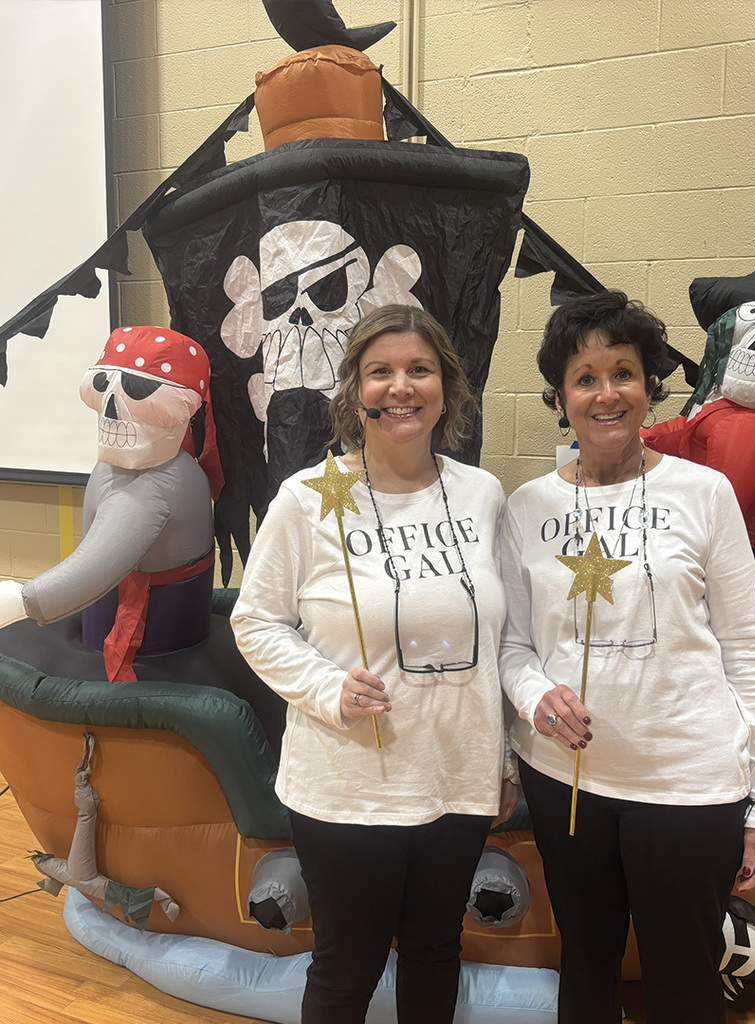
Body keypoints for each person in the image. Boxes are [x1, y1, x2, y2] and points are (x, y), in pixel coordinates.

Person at [499, 290, 755, 1024]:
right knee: (586, 966)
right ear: (560, 398)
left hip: (689, 784)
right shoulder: (527, 507)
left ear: (650, 384)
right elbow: (513, 645)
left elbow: (749, 650)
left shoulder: (704, 494)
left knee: (683, 982)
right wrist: (535, 696)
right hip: (566, 781)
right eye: (584, 377)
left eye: (622, 372)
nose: (605, 394)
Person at [231, 304, 519, 1024]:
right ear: (354, 393)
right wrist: (327, 686)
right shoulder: (306, 500)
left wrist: (506, 757)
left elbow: (504, 639)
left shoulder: (482, 494)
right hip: (348, 783)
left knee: (434, 953)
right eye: (380, 371)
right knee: (347, 965)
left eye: (419, 370)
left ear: (446, 389)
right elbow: (255, 621)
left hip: (457, 775)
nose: (401, 387)